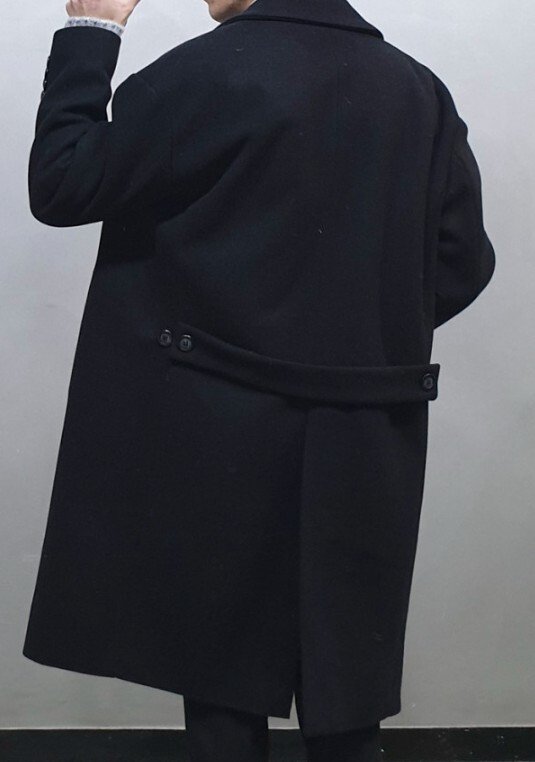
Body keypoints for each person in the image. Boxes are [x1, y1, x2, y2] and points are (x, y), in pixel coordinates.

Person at [24, 1, 495, 760]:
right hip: (364, 422)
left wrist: (93, 29)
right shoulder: (417, 91)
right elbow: (462, 259)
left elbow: (63, 182)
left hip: (214, 414)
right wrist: (351, 341)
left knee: (219, 672)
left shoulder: (203, 75)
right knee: (348, 674)